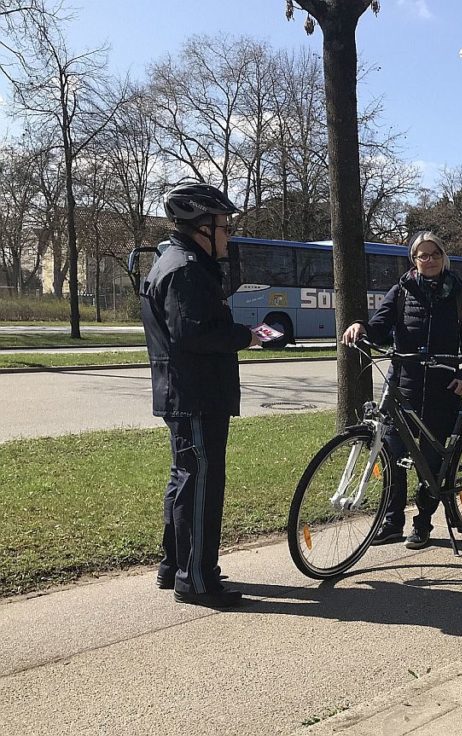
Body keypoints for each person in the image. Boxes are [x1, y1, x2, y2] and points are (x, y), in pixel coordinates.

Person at [140, 182, 258, 608]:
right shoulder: (186, 268)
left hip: (185, 391)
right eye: (223, 227)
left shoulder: (174, 262)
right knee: (202, 482)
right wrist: (245, 336)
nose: (228, 235)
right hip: (196, 393)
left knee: (184, 478)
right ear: (201, 227)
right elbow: (193, 333)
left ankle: (176, 565)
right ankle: (198, 580)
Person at [341, 231, 462, 549]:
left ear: (443, 257)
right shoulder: (402, 290)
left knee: (430, 462)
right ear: (413, 260)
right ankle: (392, 523)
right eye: (422, 255)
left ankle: (423, 524)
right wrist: (361, 326)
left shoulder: (458, 293)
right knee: (392, 456)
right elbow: (380, 326)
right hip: (403, 383)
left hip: (442, 387)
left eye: (434, 254)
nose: (428, 260)